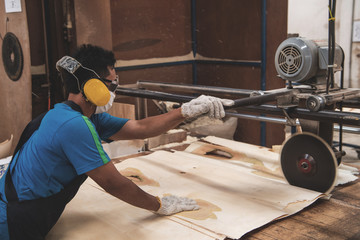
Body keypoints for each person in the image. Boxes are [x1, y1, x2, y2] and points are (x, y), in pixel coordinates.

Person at [0, 44, 234, 240]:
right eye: (111, 84)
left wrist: (186, 111)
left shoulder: (80, 118)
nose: (114, 90)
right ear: (92, 86)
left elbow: (141, 127)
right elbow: (114, 183)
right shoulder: (74, 126)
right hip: (10, 220)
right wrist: (160, 205)